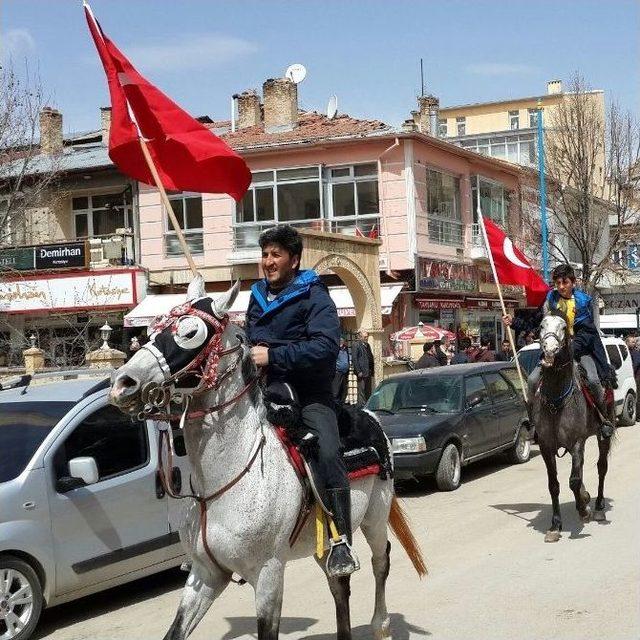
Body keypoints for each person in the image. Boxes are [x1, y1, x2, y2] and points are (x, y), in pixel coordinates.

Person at [245, 224, 358, 576]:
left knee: (326, 450)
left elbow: (325, 348)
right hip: (265, 392)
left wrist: (273, 357)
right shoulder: (257, 294)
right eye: (265, 254)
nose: (268, 261)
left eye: (275, 254)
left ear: (294, 260)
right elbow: (250, 341)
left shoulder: (315, 296)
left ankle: (341, 540)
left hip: (309, 395)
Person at [503, 263, 615, 439]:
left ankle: (603, 421)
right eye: (558, 283)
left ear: (573, 282)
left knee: (593, 380)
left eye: (565, 282)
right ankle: (533, 419)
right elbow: (535, 322)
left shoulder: (583, 302)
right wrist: (514, 322)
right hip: (553, 353)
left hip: (580, 350)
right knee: (532, 381)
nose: (561, 287)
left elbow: (588, 333)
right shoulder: (550, 300)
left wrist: (571, 348)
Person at [352, 330, 374, 405]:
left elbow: (370, 356)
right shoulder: (356, 345)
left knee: (368, 390)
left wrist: (372, 370)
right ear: (360, 337)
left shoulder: (367, 345)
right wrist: (358, 371)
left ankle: (368, 406)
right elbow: (355, 359)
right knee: (362, 390)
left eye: (367, 336)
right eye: (365, 337)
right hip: (361, 372)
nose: (366, 338)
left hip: (368, 371)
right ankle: (361, 408)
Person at [333, 337, 350, 404]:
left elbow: (348, 359)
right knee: (336, 390)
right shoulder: (335, 349)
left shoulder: (346, 349)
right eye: (341, 341)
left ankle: (342, 404)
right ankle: (336, 404)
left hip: (345, 372)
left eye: (343, 341)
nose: (342, 343)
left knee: (344, 390)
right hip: (337, 373)